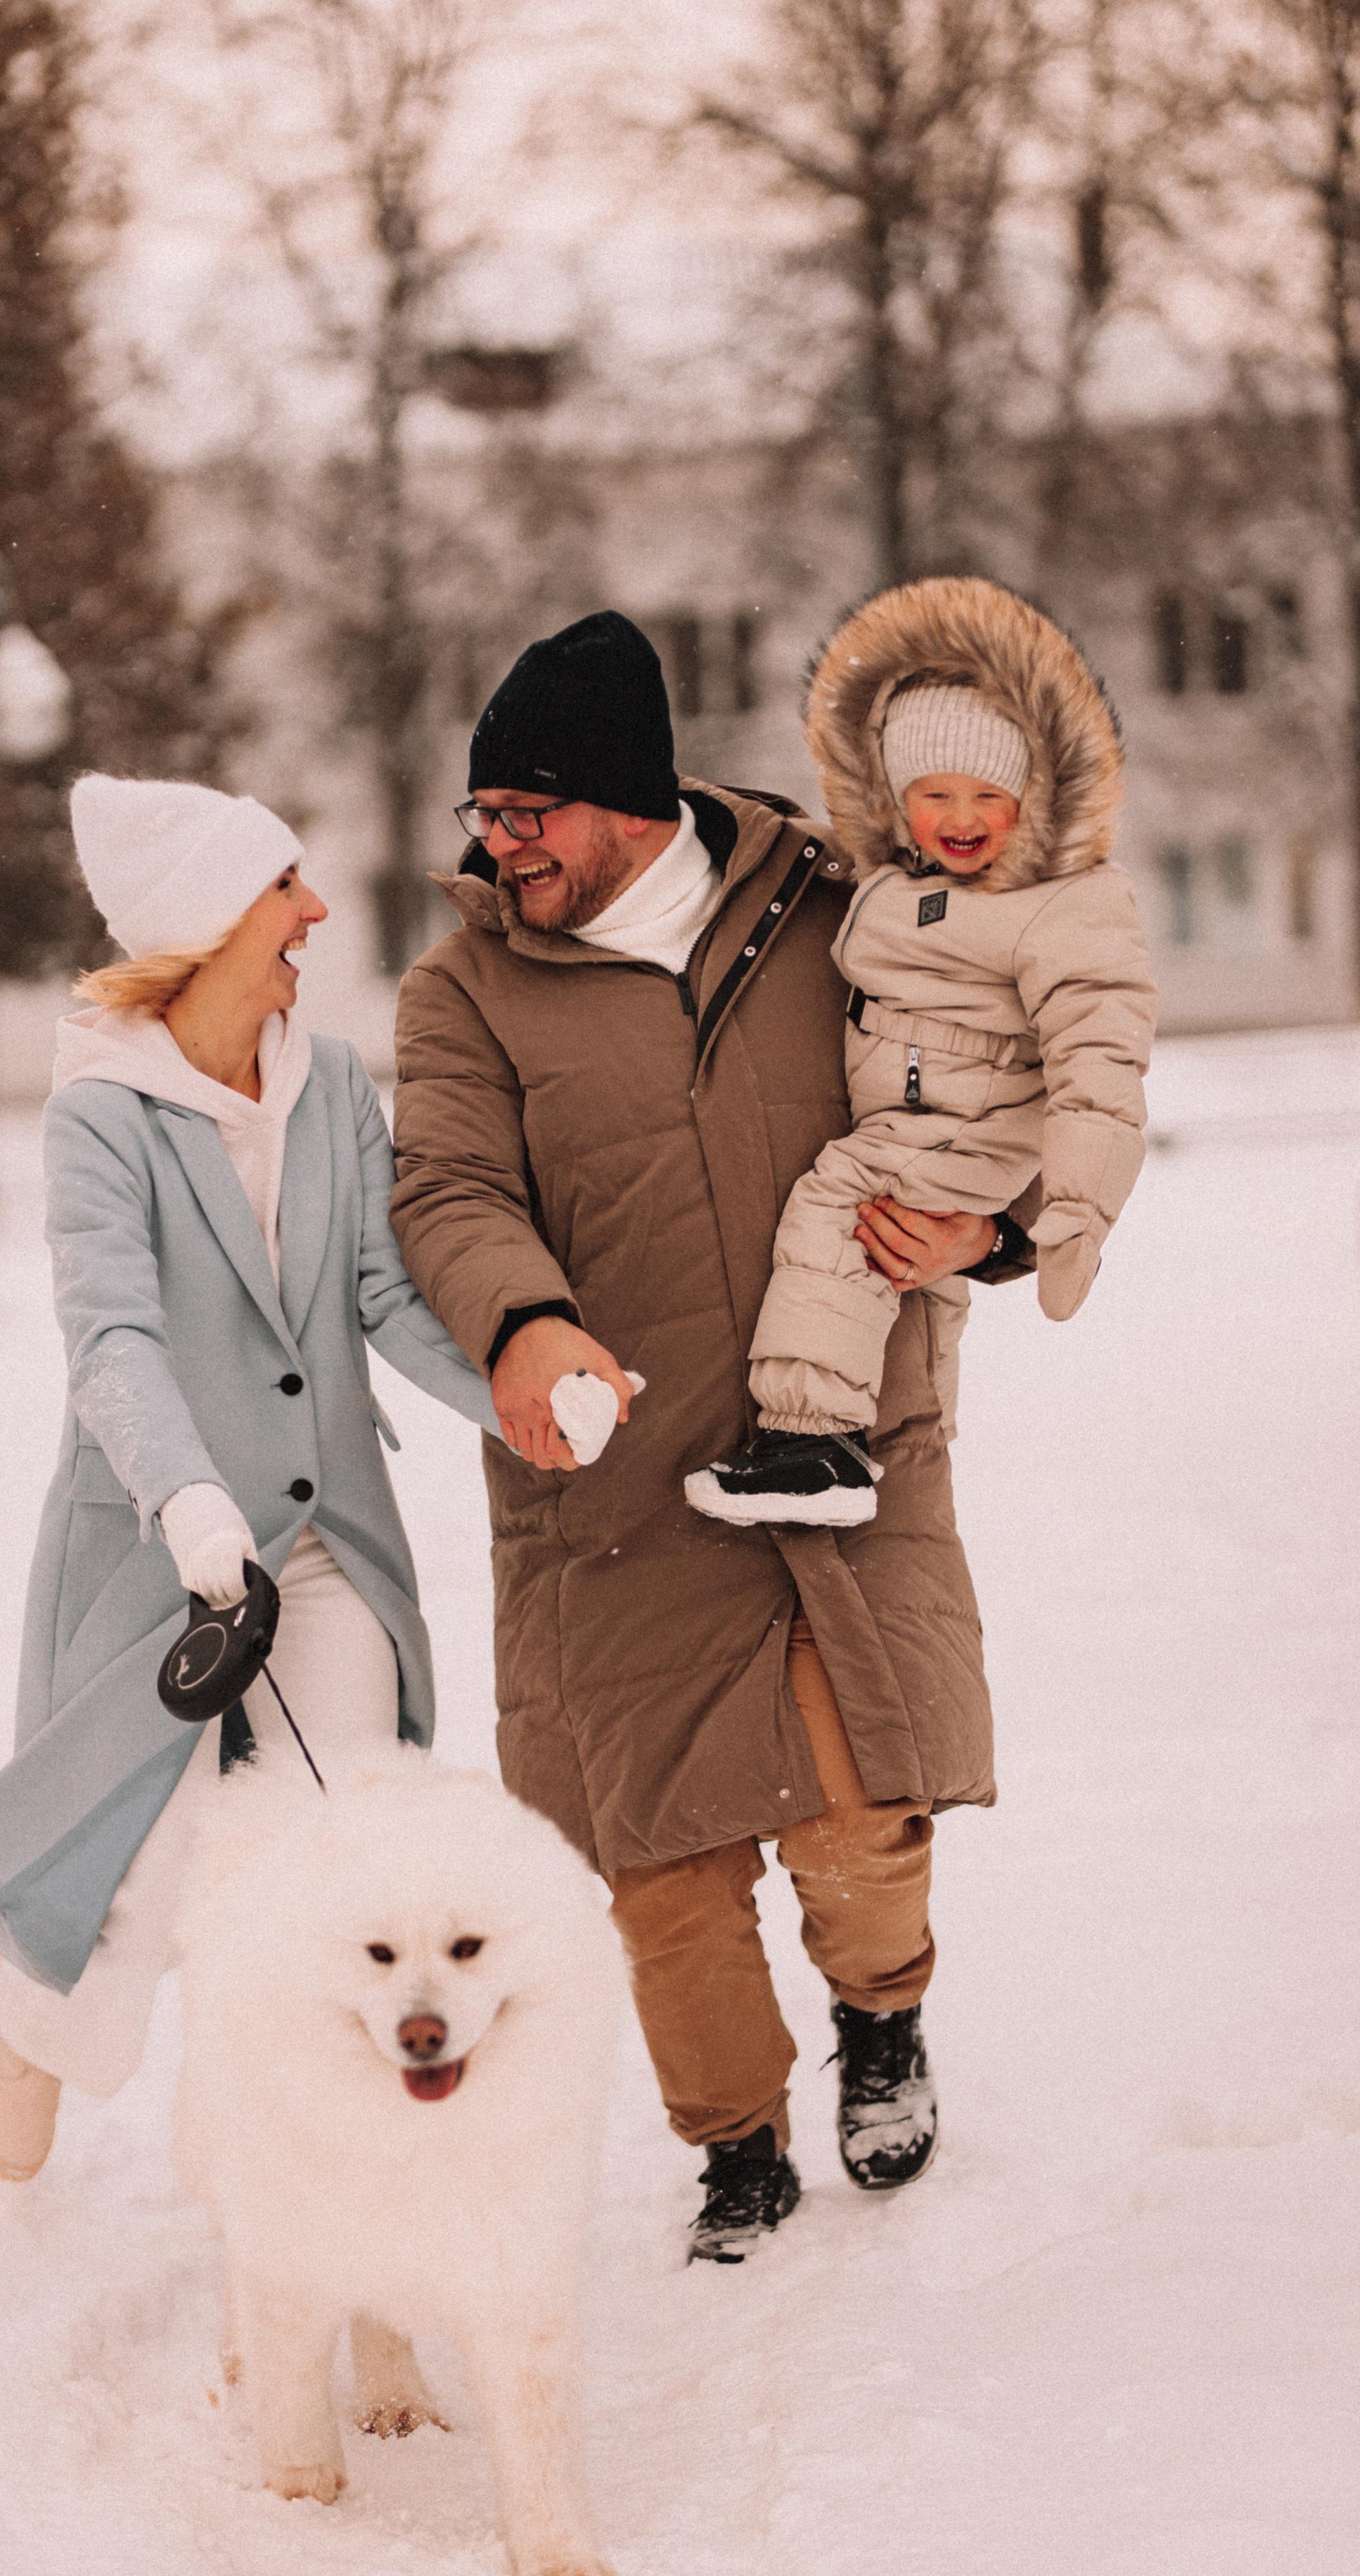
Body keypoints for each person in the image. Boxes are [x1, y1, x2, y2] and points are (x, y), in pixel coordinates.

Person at [389, 609, 1034, 2262]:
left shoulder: (840, 916)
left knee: (857, 1807)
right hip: (611, 1478)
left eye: (525, 811)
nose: (497, 845)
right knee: (661, 1870)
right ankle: (734, 2143)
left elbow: (988, 1081)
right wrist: (521, 1322)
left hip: (840, 1442)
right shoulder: (466, 991)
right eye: (484, 814)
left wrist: (993, 1224)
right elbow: (447, 1190)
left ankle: (880, 2021)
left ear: (625, 799)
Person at [0, 774, 497, 2182]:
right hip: (161, 1548)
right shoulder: (101, 1115)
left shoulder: (329, 1084)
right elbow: (113, 1340)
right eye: (282, 887)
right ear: (206, 924)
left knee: (339, 1857)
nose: (316, 910)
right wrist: (190, 1507)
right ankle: (29, 2027)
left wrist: (516, 1402)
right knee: (146, 1868)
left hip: (323, 1541)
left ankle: (317, 2159)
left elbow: (382, 1292)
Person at [684, 576, 1157, 1529]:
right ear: (898, 803)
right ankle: (908, 1454)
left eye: (991, 794)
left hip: (967, 1120)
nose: (962, 816)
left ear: (1035, 796)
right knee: (921, 1296)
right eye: (935, 794)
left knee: (841, 1205)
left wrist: (1076, 1216)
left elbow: (1101, 1066)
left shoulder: (1067, 900)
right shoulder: (896, 881)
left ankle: (811, 1440)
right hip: (924, 1114)